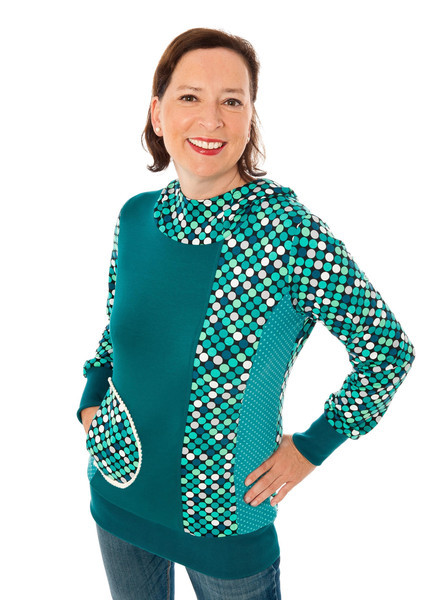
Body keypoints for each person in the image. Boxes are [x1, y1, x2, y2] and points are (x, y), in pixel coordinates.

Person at [77, 27, 416, 600]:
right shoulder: (134, 218)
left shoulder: (287, 233)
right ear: (158, 114)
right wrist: (91, 396)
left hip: (224, 521)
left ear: (250, 117)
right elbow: (118, 327)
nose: (211, 119)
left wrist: (311, 447)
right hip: (117, 491)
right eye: (190, 97)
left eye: (231, 101)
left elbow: (387, 350)